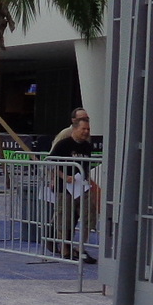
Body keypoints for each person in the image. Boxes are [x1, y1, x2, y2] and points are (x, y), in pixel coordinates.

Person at [47, 107, 97, 263]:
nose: (86, 131)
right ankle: (63, 247)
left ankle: (81, 247)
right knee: (65, 217)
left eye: (88, 128)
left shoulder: (87, 145)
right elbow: (51, 161)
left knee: (89, 214)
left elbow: (87, 165)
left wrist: (88, 180)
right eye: (84, 128)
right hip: (65, 187)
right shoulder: (64, 140)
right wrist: (61, 177)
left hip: (81, 185)